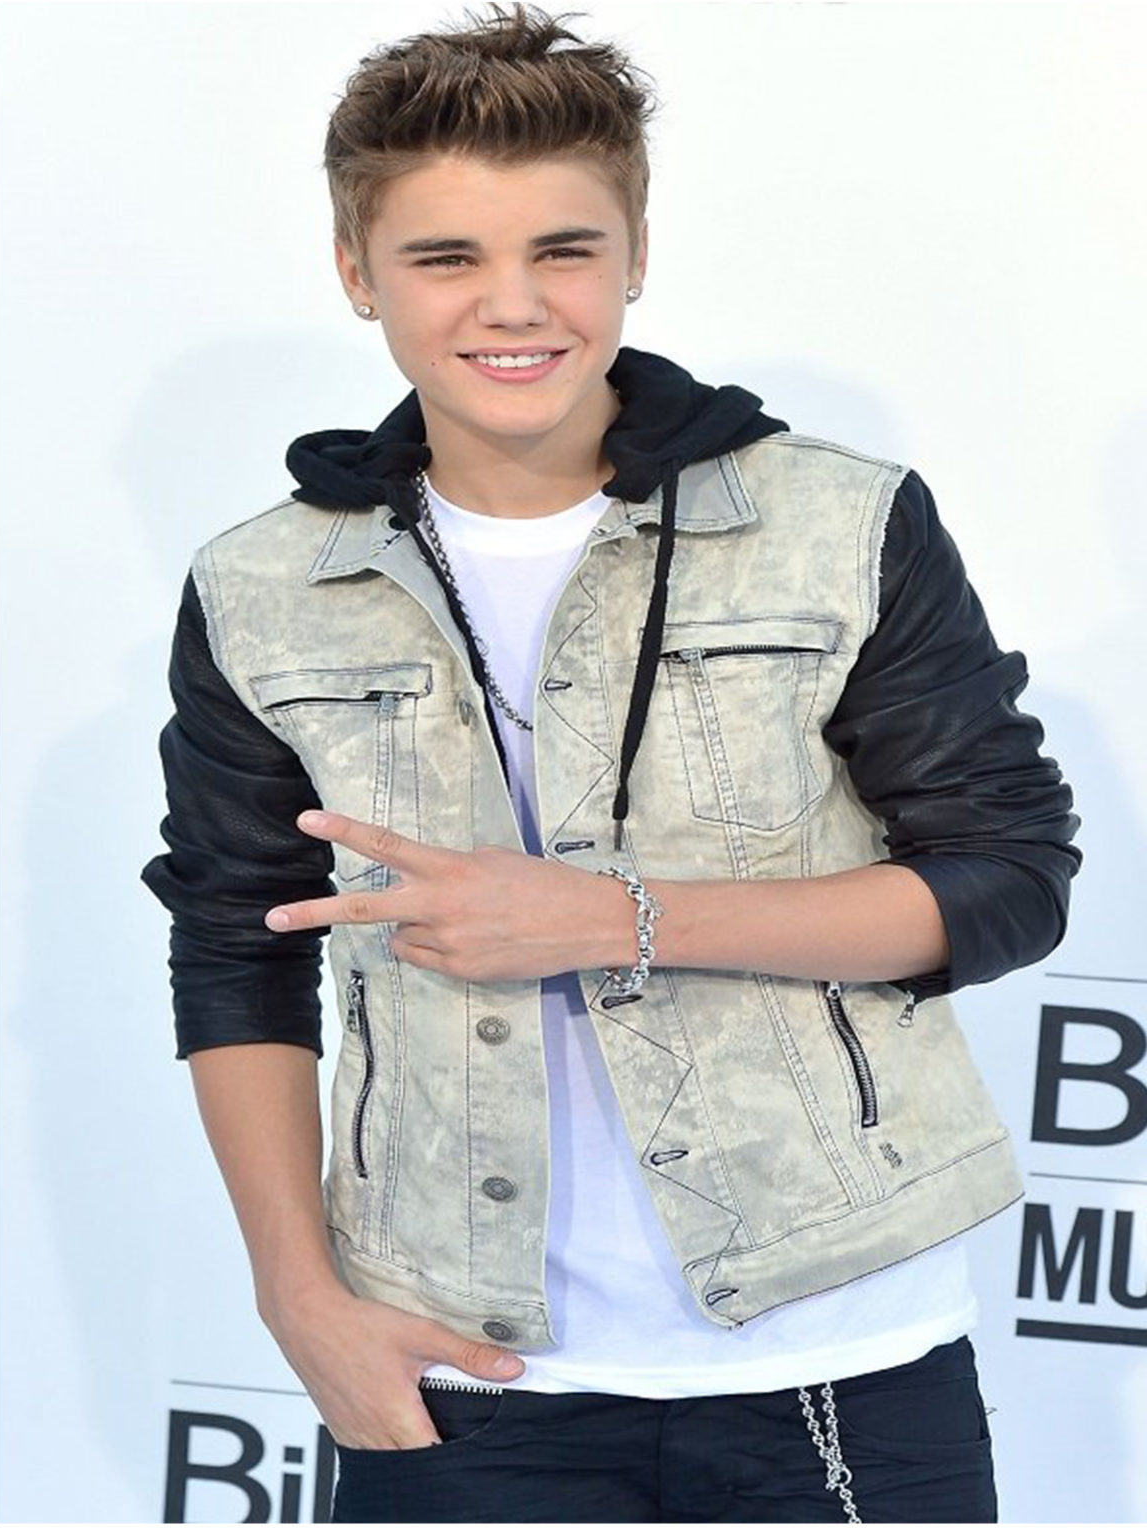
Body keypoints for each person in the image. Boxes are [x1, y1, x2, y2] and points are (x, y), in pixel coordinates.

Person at [142, 4, 1081, 1523]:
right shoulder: (260, 585)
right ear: (357, 271)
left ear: (635, 253)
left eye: (564, 249)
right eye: (446, 256)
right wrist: (298, 1299)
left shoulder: (836, 523)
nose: (514, 304)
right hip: (451, 1370)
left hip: (837, 1352)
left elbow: (1006, 881)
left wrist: (614, 920)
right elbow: (233, 944)